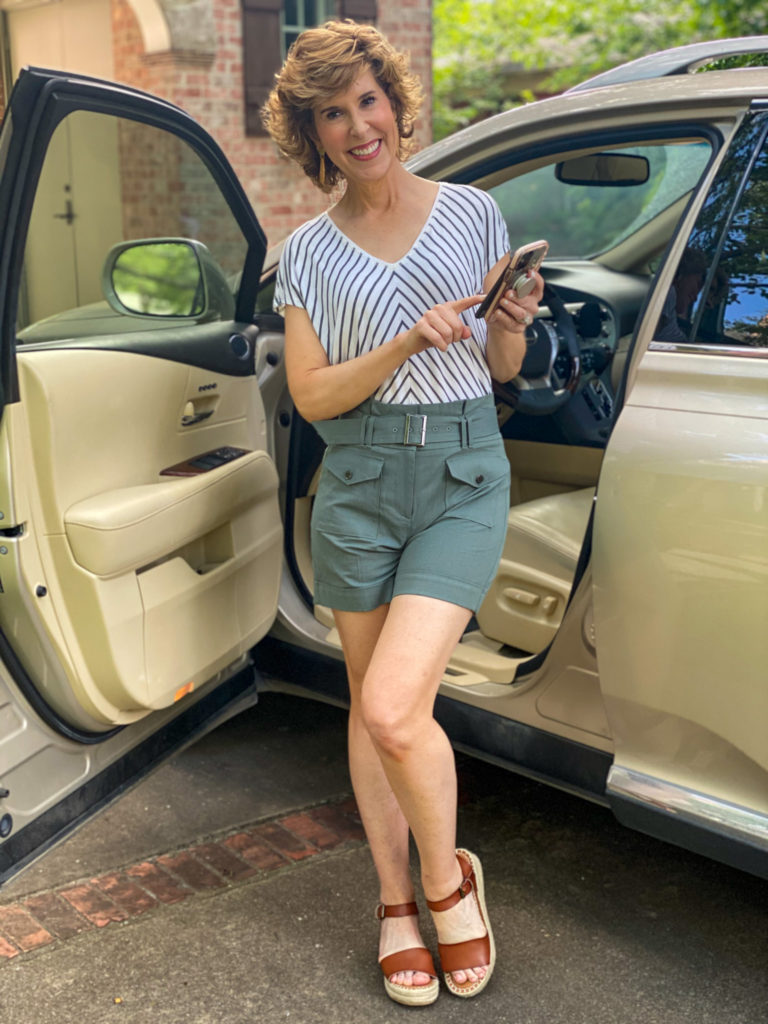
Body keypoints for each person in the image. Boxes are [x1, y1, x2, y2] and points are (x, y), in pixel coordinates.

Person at [263, 20, 543, 1006]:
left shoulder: (473, 213)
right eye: (330, 113)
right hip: (359, 485)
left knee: (394, 705)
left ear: (394, 100)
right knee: (367, 706)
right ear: (313, 133)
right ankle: (393, 901)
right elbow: (312, 396)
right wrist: (400, 345)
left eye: (367, 101)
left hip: (464, 473)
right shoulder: (308, 255)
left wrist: (505, 329)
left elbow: (501, 370)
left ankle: (444, 877)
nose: (356, 126)